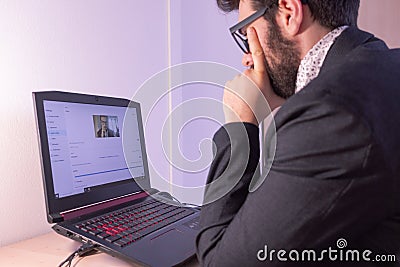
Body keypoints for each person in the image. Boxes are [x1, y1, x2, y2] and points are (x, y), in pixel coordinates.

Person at [196, 0, 400, 266]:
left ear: (289, 13)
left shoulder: (329, 114)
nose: (247, 58)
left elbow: (219, 262)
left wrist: (239, 126)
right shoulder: (383, 66)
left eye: (247, 34)